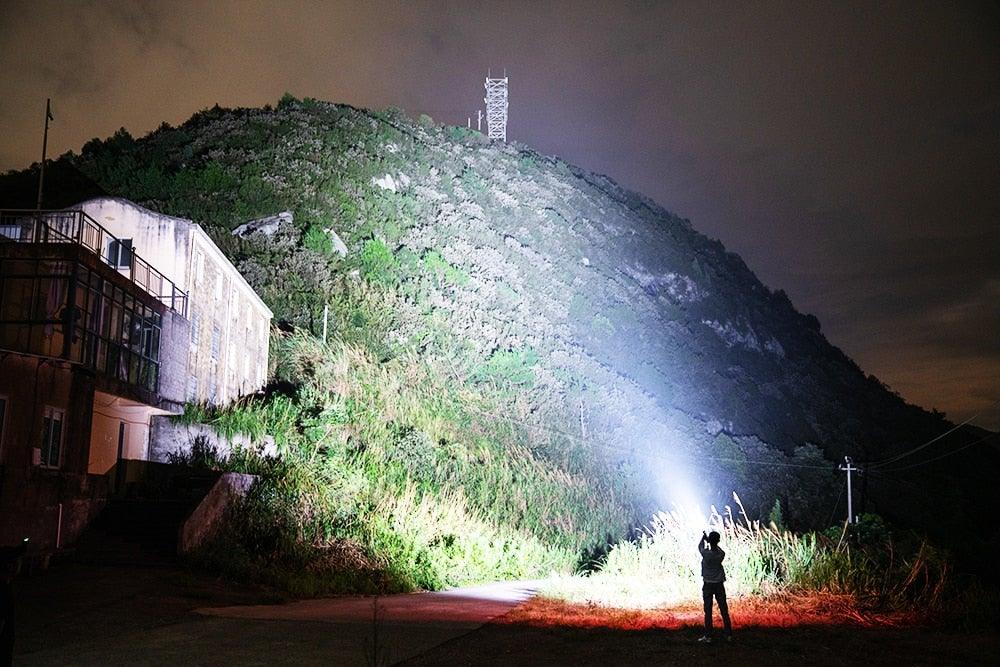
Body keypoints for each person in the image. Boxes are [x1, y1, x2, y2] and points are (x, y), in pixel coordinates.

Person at [697, 530, 732, 642]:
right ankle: (728, 634)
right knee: (724, 610)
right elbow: (720, 550)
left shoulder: (706, 554)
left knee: (708, 611)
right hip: (719, 584)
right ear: (718, 541)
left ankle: (709, 635)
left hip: (708, 584)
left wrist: (704, 539)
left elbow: (700, 547)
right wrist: (712, 542)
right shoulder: (721, 554)